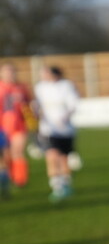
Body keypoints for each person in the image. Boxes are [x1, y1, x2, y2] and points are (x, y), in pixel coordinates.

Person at [33, 65, 80, 202]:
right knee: (52, 154)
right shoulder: (40, 87)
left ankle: (65, 183)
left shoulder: (66, 86)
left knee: (64, 158)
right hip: (48, 129)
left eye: (45, 73)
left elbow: (73, 104)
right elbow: (37, 104)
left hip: (65, 129)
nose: (43, 76)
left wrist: (65, 117)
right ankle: (56, 186)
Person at [0, 62, 34, 188]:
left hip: (19, 125)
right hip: (2, 126)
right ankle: (7, 176)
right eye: (6, 71)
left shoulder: (22, 88)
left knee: (18, 151)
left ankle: (20, 179)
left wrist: (32, 123)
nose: (9, 74)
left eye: (11, 71)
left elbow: (29, 106)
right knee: (6, 155)